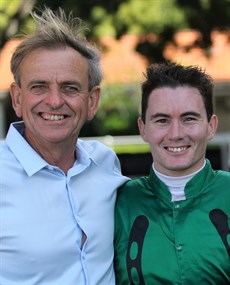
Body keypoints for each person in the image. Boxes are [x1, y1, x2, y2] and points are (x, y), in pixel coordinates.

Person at [0, 7, 129, 285]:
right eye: (39, 87)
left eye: (70, 87)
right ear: (17, 99)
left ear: (92, 101)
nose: (55, 101)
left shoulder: (105, 164)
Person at [114, 62, 230, 284]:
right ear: (143, 128)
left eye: (189, 119)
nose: (175, 134)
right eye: (162, 120)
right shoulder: (117, 203)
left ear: (211, 126)